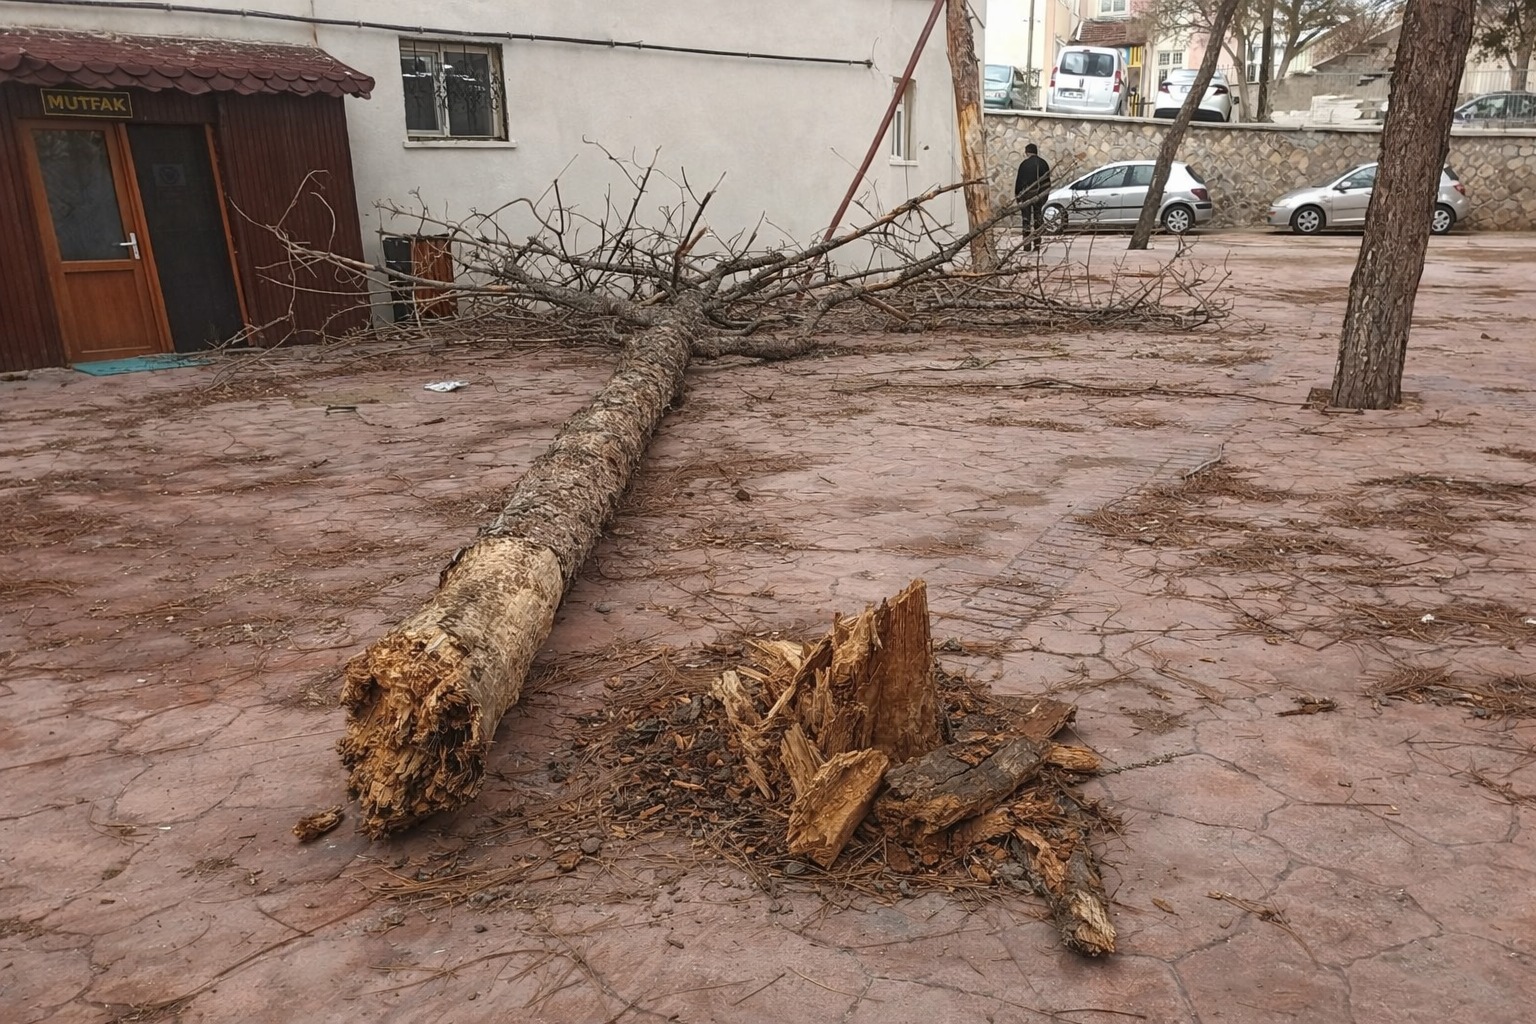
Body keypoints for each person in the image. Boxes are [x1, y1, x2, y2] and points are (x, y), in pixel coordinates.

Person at [1014, 143, 1052, 250]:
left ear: (1026, 152)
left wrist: (1018, 196)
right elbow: (1047, 182)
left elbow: (1019, 182)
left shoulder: (1023, 165)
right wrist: (1044, 196)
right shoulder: (1044, 163)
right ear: (1036, 152)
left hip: (1026, 196)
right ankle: (1037, 244)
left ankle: (1027, 244)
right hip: (1039, 195)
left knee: (1026, 219)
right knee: (1038, 218)